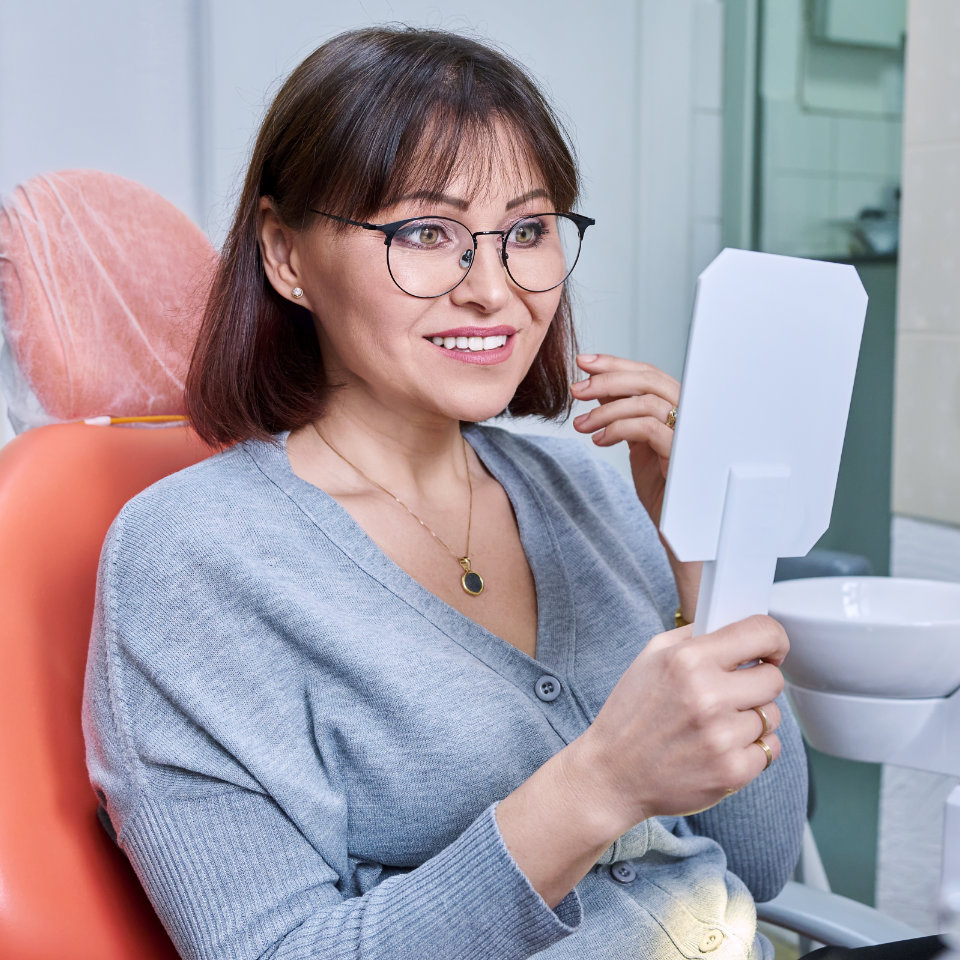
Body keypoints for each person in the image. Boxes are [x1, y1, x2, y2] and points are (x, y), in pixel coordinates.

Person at [81, 25, 814, 960]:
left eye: (528, 231)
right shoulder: (192, 559)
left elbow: (759, 862)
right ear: (285, 254)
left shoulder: (596, 488)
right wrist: (598, 783)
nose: (494, 290)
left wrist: (706, 556)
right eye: (426, 232)